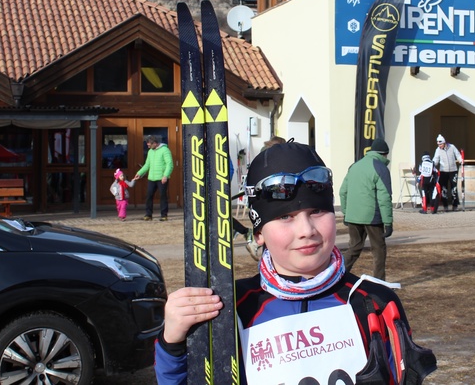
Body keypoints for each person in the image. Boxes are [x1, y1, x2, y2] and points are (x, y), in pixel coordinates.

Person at [154, 141, 436, 384]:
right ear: (258, 233)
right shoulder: (232, 307)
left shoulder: (374, 302)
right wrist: (173, 343)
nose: (306, 230)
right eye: (285, 217)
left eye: (317, 212)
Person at [339, 138, 394, 281]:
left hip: (352, 216)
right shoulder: (381, 168)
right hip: (372, 217)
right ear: (384, 154)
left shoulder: (354, 166)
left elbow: (342, 192)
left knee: (354, 248)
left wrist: (346, 213)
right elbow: (384, 197)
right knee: (379, 250)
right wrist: (388, 222)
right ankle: (379, 283)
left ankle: (337, 278)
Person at [134, 135, 174, 221]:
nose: (148, 146)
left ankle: (164, 215)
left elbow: (169, 164)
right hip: (151, 178)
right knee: (149, 196)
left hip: (162, 178)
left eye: (149, 145)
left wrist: (165, 175)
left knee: (163, 196)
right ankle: (148, 214)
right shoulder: (150, 152)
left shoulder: (165, 150)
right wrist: (139, 173)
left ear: (155, 143)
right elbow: (147, 164)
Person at [433, 134, 462, 211]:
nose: (439, 146)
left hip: (453, 170)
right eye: (438, 144)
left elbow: (458, 155)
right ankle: (445, 205)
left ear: (444, 142)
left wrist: (460, 160)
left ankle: (455, 205)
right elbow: (436, 159)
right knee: (444, 189)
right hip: (443, 171)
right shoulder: (438, 150)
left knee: (454, 189)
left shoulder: (452, 147)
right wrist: (432, 164)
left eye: (441, 144)